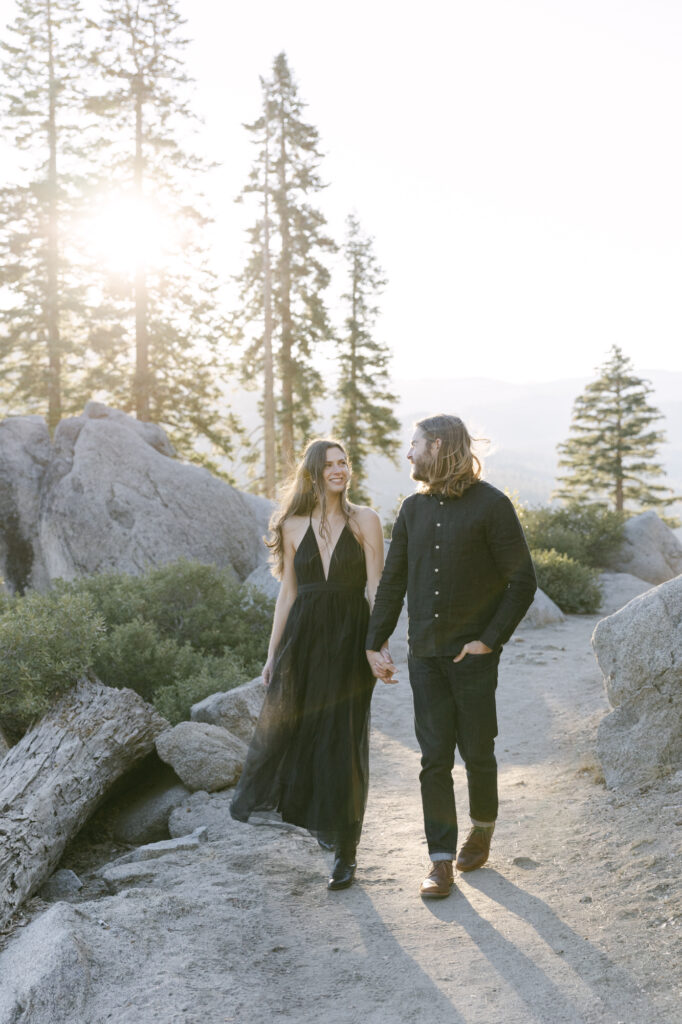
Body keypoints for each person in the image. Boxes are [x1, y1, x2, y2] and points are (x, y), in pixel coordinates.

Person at [365, 414, 537, 899]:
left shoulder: (493, 505)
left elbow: (522, 582)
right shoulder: (411, 510)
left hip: (474, 657)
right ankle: (440, 861)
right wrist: (373, 641)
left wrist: (489, 640)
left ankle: (481, 829)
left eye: (414, 443)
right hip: (425, 658)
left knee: (478, 752)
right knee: (433, 759)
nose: (408, 453)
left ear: (436, 446)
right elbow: (393, 583)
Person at [230, 439, 386, 891]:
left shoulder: (366, 521)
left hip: (351, 640)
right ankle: (324, 820)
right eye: (330, 464)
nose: (339, 470)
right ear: (314, 473)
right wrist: (272, 654)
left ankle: (347, 852)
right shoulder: (292, 525)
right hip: (305, 640)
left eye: (344, 463)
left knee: (345, 737)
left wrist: (379, 644)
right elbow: (288, 593)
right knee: (303, 734)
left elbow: (375, 588)